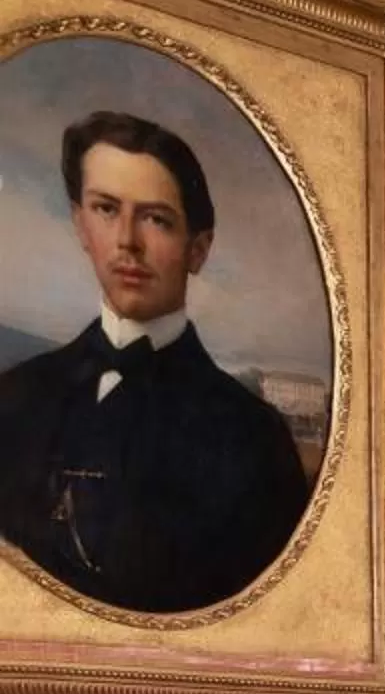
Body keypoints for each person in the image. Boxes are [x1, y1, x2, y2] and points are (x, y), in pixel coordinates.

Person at [0, 111, 312, 614]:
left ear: (198, 249)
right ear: (80, 224)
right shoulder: (14, 398)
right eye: (105, 209)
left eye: (156, 218)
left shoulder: (253, 438)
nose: (127, 240)